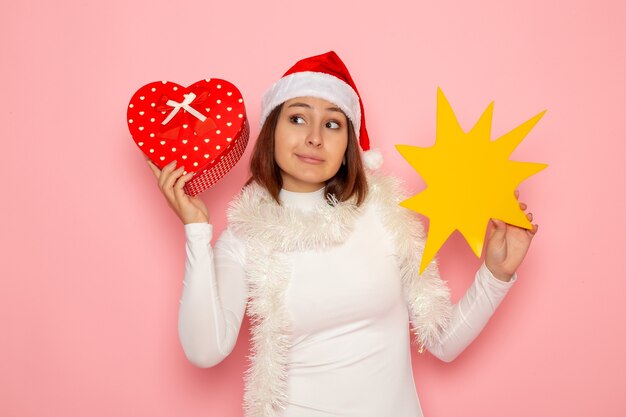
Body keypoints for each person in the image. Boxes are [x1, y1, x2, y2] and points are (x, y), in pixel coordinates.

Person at [147, 51, 538, 417]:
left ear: (348, 143)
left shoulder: (387, 217)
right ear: (272, 130)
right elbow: (205, 351)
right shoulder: (244, 239)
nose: (314, 137)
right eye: (297, 118)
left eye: (332, 123)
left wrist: (495, 274)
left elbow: (442, 343)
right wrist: (196, 230)